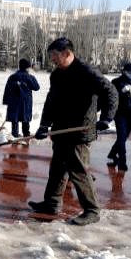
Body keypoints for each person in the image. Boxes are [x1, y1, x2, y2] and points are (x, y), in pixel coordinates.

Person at [28, 37, 118, 225]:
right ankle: (52, 204)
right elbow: (51, 101)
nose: (52, 59)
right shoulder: (57, 75)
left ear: (67, 54)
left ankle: (92, 210)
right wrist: (44, 125)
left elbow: (110, 92)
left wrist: (106, 118)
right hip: (61, 130)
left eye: (54, 55)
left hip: (80, 131)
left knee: (79, 171)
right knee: (57, 169)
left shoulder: (86, 72)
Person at [106, 63, 131, 171]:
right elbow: (111, 96)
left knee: (124, 137)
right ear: (124, 72)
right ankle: (122, 161)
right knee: (121, 136)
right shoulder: (117, 82)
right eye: (130, 72)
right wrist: (121, 91)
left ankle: (112, 153)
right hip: (120, 113)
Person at [2, 59, 40, 137]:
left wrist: (5, 101)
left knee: (14, 120)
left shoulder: (12, 77)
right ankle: (26, 135)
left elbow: (7, 90)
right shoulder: (30, 77)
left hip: (14, 102)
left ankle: (14, 135)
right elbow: (36, 87)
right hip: (25, 103)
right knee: (25, 119)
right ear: (27, 67)